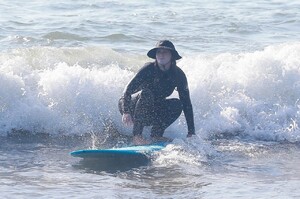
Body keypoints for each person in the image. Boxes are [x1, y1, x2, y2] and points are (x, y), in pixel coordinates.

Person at [118, 40, 195, 145]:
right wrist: (126, 111)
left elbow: (187, 103)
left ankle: (156, 135)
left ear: (172, 56)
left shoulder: (178, 75)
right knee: (147, 93)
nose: (161, 55)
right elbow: (127, 91)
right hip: (131, 107)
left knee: (178, 104)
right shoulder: (148, 69)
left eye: (165, 52)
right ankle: (137, 136)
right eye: (159, 52)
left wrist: (191, 131)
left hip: (151, 110)